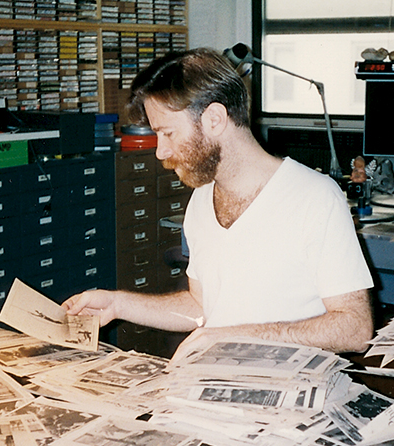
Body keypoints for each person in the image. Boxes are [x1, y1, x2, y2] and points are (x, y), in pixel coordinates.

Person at [62, 47, 374, 357]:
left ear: (214, 118)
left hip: (288, 389)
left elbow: (355, 329)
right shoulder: (201, 200)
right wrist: (118, 304)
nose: (160, 152)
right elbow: (201, 307)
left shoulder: (315, 197)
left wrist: (234, 337)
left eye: (168, 133)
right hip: (218, 380)